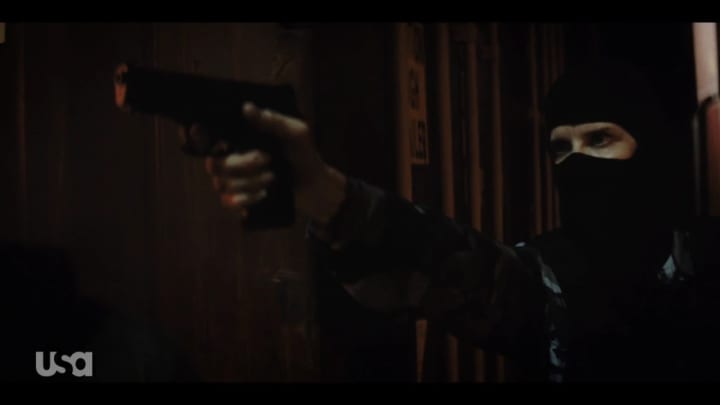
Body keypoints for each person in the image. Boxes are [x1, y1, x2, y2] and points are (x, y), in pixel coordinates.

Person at [197, 60, 720, 382]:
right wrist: (327, 196)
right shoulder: (552, 278)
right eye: (561, 148)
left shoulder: (709, 261)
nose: (576, 162)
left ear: (648, 147)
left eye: (600, 139)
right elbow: (459, 269)